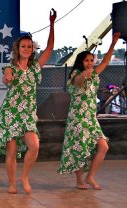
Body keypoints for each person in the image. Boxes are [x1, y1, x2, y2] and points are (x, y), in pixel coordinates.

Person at [0, 9, 57, 194]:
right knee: (11, 151)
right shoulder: (10, 67)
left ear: (32, 49)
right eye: (23, 46)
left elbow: (49, 48)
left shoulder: (35, 68)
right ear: (17, 49)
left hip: (27, 114)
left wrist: (51, 24)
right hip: (10, 114)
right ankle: (12, 183)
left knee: (34, 145)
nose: (26, 49)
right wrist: (8, 77)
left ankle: (24, 176)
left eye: (29, 46)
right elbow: (6, 76)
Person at [58, 32, 121, 190]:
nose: (90, 63)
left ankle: (90, 176)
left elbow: (106, 62)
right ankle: (79, 181)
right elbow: (78, 82)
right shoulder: (76, 74)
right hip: (77, 118)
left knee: (103, 146)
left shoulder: (94, 74)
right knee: (81, 149)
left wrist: (113, 43)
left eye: (92, 60)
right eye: (87, 60)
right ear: (81, 62)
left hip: (90, 118)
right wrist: (85, 74)